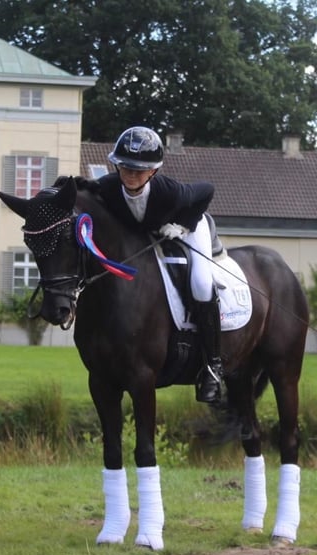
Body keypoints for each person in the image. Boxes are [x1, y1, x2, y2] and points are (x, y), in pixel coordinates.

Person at [81, 126, 223, 404]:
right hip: (152, 231)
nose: (131, 176)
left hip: (191, 225)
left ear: (153, 171)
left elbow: (207, 190)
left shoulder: (171, 192)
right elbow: (86, 187)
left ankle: (212, 367)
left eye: (139, 170)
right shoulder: (110, 186)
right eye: (125, 168)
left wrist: (183, 225)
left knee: (202, 283)